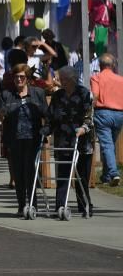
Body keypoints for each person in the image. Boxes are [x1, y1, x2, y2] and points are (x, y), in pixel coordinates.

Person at [0, 64, 48, 217]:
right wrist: (1, 114)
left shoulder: (38, 93)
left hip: (33, 138)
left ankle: (33, 205)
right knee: (18, 173)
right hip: (14, 138)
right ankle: (21, 206)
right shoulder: (7, 95)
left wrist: (47, 130)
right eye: (16, 77)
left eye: (22, 77)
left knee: (31, 171)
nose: (19, 79)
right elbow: (0, 113)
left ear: (28, 79)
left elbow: (46, 113)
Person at [48, 66, 94, 217]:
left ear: (72, 79)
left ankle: (84, 206)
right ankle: (60, 206)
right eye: (60, 78)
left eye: (63, 79)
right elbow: (51, 117)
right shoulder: (58, 95)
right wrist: (45, 131)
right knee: (62, 175)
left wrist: (83, 128)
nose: (60, 81)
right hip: (63, 141)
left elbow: (89, 117)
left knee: (82, 176)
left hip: (82, 142)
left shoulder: (83, 93)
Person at [91, 54, 123, 186]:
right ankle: (106, 176)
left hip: (103, 113)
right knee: (110, 145)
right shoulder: (121, 79)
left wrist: (89, 110)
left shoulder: (96, 77)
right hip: (119, 114)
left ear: (99, 65)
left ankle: (114, 173)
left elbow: (95, 95)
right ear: (114, 65)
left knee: (107, 145)